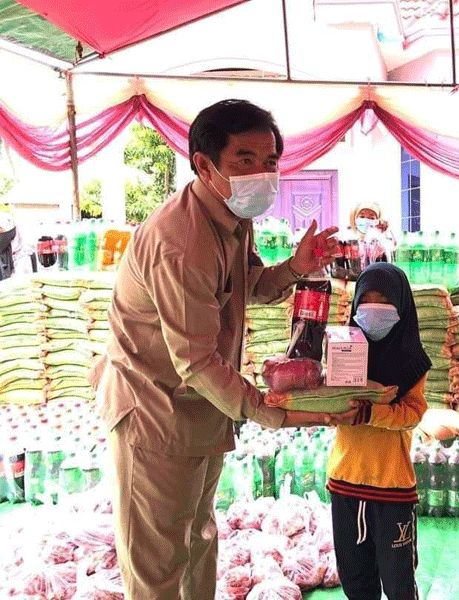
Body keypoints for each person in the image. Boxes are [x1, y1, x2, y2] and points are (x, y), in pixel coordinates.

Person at [89, 99, 354, 600]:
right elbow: (195, 361)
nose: (262, 174)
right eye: (244, 160)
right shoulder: (181, 243)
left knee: (197, 537)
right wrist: (271, 411)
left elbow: (246, 285)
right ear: (204, 165)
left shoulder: (230, 216)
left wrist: (295, 268)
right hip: (155, 413)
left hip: (200, 408)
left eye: (270, 161)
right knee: (157, 566)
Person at [326, 262, 431, 600]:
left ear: (401, 305)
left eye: (384, 300)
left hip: (391, 487)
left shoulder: (412, 362)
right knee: (354, 580)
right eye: (366, 299)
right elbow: (327, 400)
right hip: (345, 481)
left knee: (399, 584)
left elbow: (413, 414)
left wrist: (372, 412)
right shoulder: (342, 352)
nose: (373, 308)